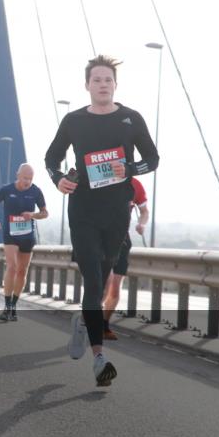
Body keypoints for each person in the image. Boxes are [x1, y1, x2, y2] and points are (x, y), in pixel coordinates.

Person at [45, 55, 158, 386]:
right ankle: (99, 357)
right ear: (87, 85)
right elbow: (53, 157)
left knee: (104, 279)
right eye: (97, 80)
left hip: (116, 212)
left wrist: (131, 169)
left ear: (115, 85)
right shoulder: (74, 120)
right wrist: (58, 179)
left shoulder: (130, 119)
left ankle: (84, 320)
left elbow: (153, 158)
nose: (103, 85)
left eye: (108, 80)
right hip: (82, 211)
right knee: (93, 282)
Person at [0, 164, 48, 321]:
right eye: (25, 178)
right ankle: (7, 307)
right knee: (13, 267)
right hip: (10, 234)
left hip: (27, 235)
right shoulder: (7, 190)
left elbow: (45, 213)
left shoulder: (36, 191)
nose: (27, 182)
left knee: (23, 270)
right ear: (18, 175)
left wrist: (33, 215)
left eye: (30, 179)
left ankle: (14, 305)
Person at [101, 176, 149, 339]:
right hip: (101, 238)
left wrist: (142, 224)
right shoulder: (102, 178)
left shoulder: (135, 185)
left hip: (122, 239)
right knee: (105, 284)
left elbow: (144, 211)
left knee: (115, 288)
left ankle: (104, 324)